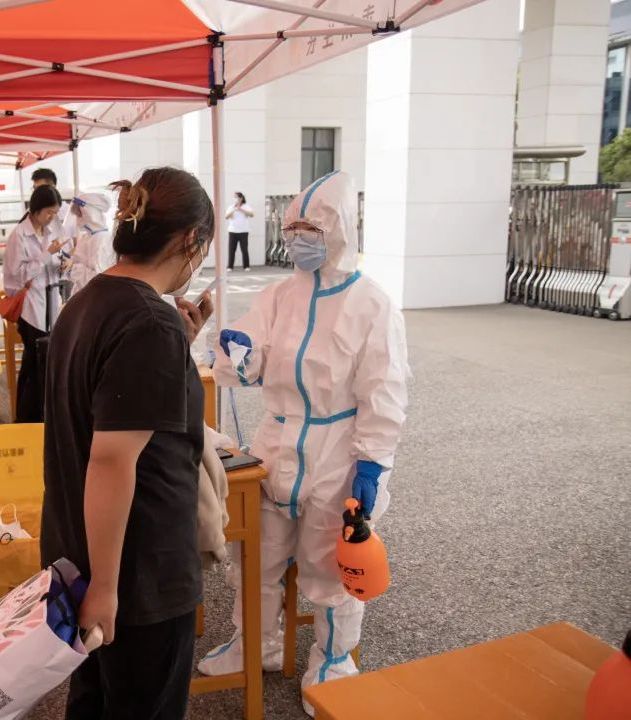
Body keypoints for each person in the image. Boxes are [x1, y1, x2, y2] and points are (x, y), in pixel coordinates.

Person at [197, 171, 409, 717]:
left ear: (338, 232)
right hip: (276, 442)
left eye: (309, 229)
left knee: (328, 569)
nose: (297, 240)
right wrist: (239, 351)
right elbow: (242, 366)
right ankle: (257, 646)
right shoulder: (279, 294)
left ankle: (333, 661)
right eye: (292, 229)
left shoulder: (371, 304)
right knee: (256, 559)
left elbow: (384, 393)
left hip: (337, 452)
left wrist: (372, 464)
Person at [40, 167, 215, 720]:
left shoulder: (90, 301)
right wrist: (108, 587)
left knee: (94, 702)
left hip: (82, 552)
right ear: (191, 239)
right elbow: (112, 461)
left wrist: (178, 344)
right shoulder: (148, 323)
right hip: (137, 571)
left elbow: (111, 413)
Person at [2, 184, 63, 423]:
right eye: (49, 212)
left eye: (55, 213)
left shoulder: (49, 232)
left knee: (38, 364)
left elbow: (50, 267)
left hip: (49, 306)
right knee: (34, 365)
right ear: (36, 210)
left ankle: (34, 415)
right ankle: (28, 417)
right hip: (30, 309)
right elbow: (16, 276)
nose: (52, 217)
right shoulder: (19, 235)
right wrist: (47, 255)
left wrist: (62, 264)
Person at [67, 192, 113, 296]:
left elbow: (97, 279)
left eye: (80, 214)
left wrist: (72, 268)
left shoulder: (102, 238)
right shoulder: (87, 236)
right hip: (82, 295)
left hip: (94, 298)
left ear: (90, 213)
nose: (78, 218)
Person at [226, 191, 254, 271]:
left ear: (241, 198)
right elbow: (226, 216)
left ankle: (246, 266)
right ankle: (230, 267)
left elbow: (251, 215)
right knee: (231, 250)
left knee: (244, 249)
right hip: (232, 231)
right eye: (234, 197)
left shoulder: (246, 206)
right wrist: (234, 209)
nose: (235, 199)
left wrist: (241, 209)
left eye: (236, 197)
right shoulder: (231, 207)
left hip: (243, 231)